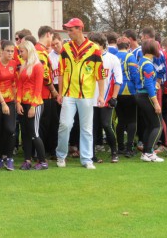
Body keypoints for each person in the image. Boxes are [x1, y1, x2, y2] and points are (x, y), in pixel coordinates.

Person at [56, 18, 105, 169]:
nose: (68, 33)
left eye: (71, 30)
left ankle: (86, 159)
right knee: (65, 124)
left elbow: (100, 74)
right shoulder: (65, 48)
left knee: (86, 128)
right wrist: (60, 93)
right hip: (68, 93)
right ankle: (61, 155)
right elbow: (61, 72)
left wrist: (101, 95)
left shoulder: (94, 48)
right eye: (68, 30)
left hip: (87, 94)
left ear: (80, 29)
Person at [88, 32, 122, 163]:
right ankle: (91, 155)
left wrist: (114, 97)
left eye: (94, 43)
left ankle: (114, 152)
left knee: (107, 125)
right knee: (92, 127)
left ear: (102, 44)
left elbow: (118, 80)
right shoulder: (88, 58)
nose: (92, 46)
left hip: (106, 99)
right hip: (90, 99)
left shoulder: (112, 59)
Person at [16, 41, 47, 170]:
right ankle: (27, 160)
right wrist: (18, 102)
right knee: (25, 134)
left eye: (22, 51)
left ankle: (43, 161)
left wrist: (33, 106)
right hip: (24, 103)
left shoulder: (37, 66)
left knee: (34, 133)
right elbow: (20, 86)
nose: (19, 54)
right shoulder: (24, 66)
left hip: (36, 104)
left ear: (28, 50)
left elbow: (38, 88)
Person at [0, 40, 18, 171]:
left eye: (12, 51)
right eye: (8, 51)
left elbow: (14, 83)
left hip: (10, 101)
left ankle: (10, 158)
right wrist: (2, 103)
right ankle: (0, 158)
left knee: (10, 129)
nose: (10, 53)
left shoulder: (14, 64)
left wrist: (16, 101)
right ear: (1, 51)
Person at [135, 40, 164, 162]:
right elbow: (147, 84)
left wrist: (154, 84)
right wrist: (156, 103)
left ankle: (146, 153)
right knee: (158, 125)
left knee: (150, 125)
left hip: (140, 95)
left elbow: (144, 81)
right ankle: (149, 152)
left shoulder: (141, 61)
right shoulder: (147, 64)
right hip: (146, 96)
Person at [35, 26, 58, 158]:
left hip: (43, 93)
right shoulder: (41, 52)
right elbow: (45, 75)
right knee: (45, 125)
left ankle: (47, 151)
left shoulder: (39, 50)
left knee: (49, 123)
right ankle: (42, 153)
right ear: (48, 34)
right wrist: (53, 90)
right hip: (44, 94)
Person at [115, 36, 140, 157]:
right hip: (129, 91)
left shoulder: (114, 56)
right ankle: (129, 149)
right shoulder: (130, 57)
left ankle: (120, 147)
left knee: (120, 120)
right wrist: (138, 88)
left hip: (117, 92)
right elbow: (135, 75)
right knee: (132, 120)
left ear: (117, 46)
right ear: (128, 46)